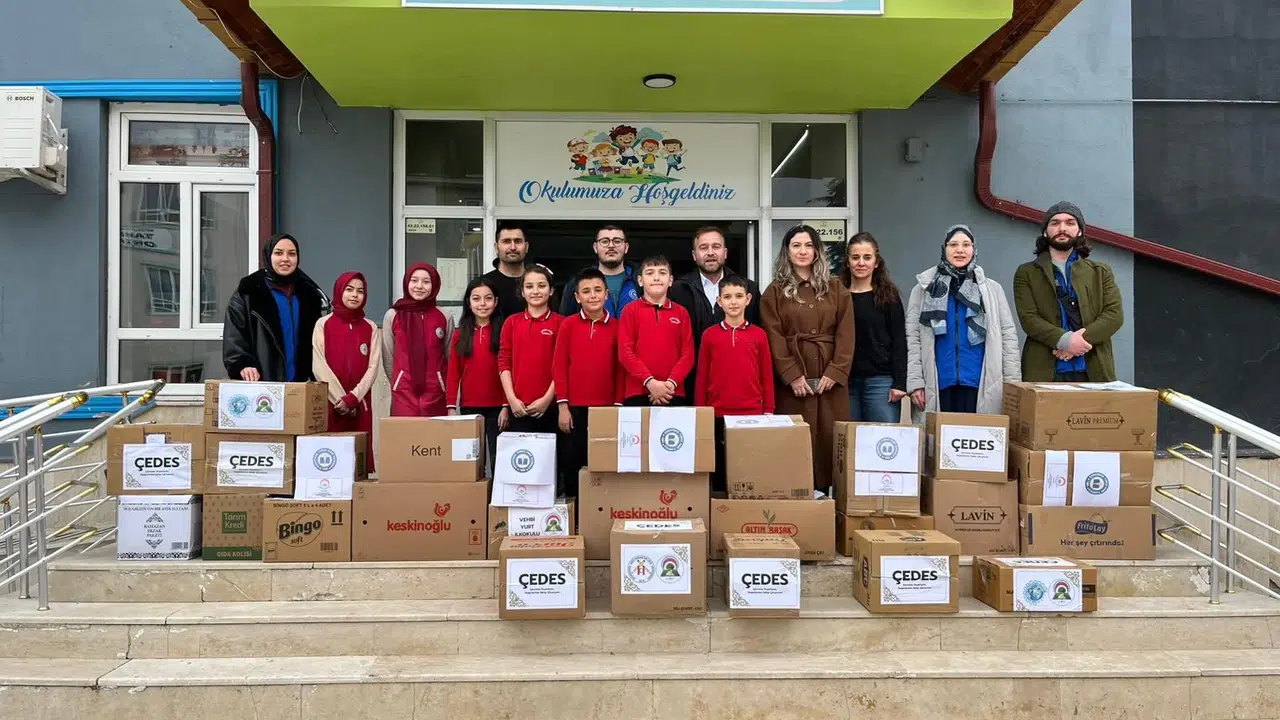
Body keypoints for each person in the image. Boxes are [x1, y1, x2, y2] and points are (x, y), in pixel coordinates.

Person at [761, 225, 854, 491]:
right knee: (795, 441)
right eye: (796, 245)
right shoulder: (774, 292)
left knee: (831, 440)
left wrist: (835, 371)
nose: (803, 251)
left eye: (808, 245)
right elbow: (773, 335)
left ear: (817, 251)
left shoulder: (836, 288)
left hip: (829, 380)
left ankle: (830, 500)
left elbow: (846, 333)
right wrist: (791, 374)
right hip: (794, 384)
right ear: (787, 251)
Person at [905, 225, 1021, 416]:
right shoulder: (924, 289)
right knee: (938, 435)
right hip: (938, 381)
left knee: (978, 433)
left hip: (980, 381)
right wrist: (915, 382)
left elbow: (1008, 337)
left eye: (966, 245)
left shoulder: (992, 289)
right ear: (944, 249)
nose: (960, 250)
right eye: (953, 245)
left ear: (974, 249)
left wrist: (1013, 384)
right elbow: (913, 339)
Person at [1013, 202, 1124, 382]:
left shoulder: (1100, 271)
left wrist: (1076, 343)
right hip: (1044, 369)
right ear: (1045, 231)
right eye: (1055, 223)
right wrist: (1065, 340)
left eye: (1070, 223)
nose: (1062, 228)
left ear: (1080, 231)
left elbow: (1114, 315)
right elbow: (1029, 319)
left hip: (1094, 369)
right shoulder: (1027, 272)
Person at [694, 275, 774, 492]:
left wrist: (768, 409)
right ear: (719, 301)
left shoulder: (759, 335)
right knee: (719, 471)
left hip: (752, 414)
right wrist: (701, 411)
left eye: (739, 296)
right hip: (718, 414)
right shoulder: (709, 335)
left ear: (748, 299)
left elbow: (766, 375)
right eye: (727, 297)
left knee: (748, 470)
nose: (733, 302)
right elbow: (702, 376)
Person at [669, 225, 762, 398]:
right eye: (704, 248)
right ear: (694, 255)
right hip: (688, 382)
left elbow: (758, 338)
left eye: (716, 247)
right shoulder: (678, 290)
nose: (710, 252)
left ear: (725, 253)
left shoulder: (748, 289)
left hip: (736, 382)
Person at [553, 268, 623, 497]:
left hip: (606, 409)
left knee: (604, 465)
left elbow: (621, 370)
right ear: (577, 297)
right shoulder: (568, 325)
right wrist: (563, 406)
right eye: (586, 291)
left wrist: (617, 406)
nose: (592, 296)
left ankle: (601, 509)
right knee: (573, 463)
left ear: (606, 294)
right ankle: (575, 511)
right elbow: (559, 366)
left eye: (597, 290)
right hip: (574, 408)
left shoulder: (617, 327)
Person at [224, 233, 329, 383]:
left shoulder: (309, 294)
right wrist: (243, 364)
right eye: (279, 253)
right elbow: (234, 337)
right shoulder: (249, 291)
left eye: (291, 254)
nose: (285, 259)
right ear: (268, 256)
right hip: (263, 386)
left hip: (302, 386)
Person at [311, 272, 380, 468]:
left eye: (360, 291)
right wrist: (340, 400)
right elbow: (319, 365)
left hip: (360, 404)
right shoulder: (323, 324)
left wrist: (353, 398)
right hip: (332, 405)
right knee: (330, 463)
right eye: (349, 289)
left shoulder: (370, 327)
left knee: (358, 463)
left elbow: (373, 367)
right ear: (339, 291)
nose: (354, 295)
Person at [840, 232, 908, 423]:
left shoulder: (889, 296)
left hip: (881, 382)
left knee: (882, 438)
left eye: (867, 257)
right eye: (855, 257)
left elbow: (899, 340)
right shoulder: (838, 296)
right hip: (845, 382)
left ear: (876, 262)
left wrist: (900, 383)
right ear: (847, 262)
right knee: (849, 439)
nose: (861, 263)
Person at [447, 277, 508, 476]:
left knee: (499, 459)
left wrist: (506, 405)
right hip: (469, 407)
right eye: (476, 299)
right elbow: (453, 373)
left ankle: (495, 495)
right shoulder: (460, 334)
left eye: (488, 298)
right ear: (468, 302)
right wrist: (451, 407)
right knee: (472, 462)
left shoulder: (505, 331)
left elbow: (509, 370)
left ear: (496, 301)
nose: (482, 304)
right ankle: (475, 494)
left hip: (498, 408)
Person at [618, 256, 695, 406]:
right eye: (650, 273)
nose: (656, 278)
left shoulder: (681, 312)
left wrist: (670, 384)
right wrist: (650, 382)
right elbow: (625, 352)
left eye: (662, 272)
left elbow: (688, 354)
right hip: (638, 392)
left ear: (671, 280)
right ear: (640, 281)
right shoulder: (630, 310)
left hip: (673, 392)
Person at [382, 263, 454, 417]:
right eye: (414, 280)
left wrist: (441, 383)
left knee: (435, 433)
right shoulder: (393, 315)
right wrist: (399, 381)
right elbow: (388, 357)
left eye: (426, 282)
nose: (419, 286)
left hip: (436, 394)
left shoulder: (444, 316)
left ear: (434, 285)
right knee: (404, 432)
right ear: (406, 282)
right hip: (403, 394)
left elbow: (449, 357)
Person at [498, 265, 561, 433]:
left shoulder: (561, 323)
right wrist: (511, 400)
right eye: (529, 286)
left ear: (551, 290)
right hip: (518, 407)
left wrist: (547, 399)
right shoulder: (511, 323)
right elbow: (504, 362)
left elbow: (563, 366)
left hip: (551, 407)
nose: (535, 291)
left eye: (542, 285)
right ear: (522, 292)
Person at [560, 225, 641, 317]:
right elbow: (566, 320)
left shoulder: (641, 281)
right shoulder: (577, 283)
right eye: (605, 241)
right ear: (595, 247)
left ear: (626, 247)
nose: (611, 246)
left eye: (617, 241)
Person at [482, 222, 531, 317]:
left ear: (526, 247)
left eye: (518, 241)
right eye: (506, 241)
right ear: (496, 247)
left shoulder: (539, 285)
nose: (513, 247)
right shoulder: (484, 284)